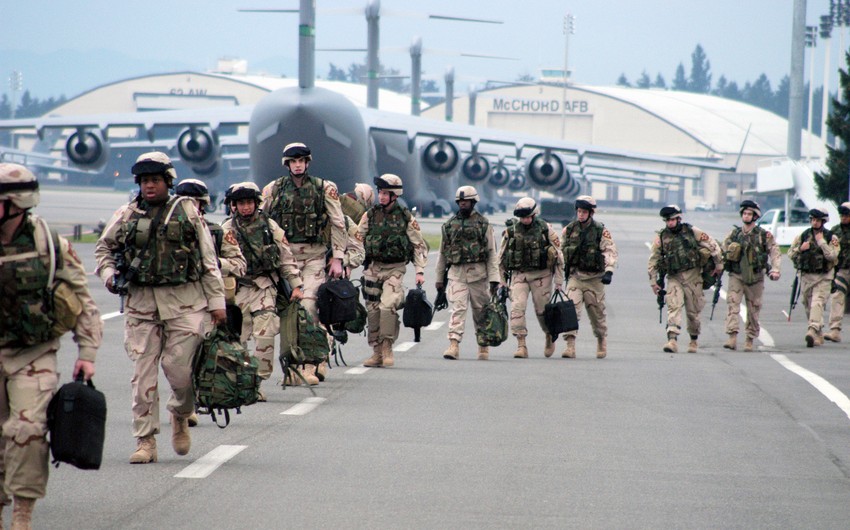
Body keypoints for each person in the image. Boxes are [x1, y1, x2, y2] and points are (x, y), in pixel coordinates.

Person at [95, 152, 226, 464]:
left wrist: (217, 304)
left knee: (180, 373)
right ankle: (145, 440)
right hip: (141, 304)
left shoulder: (187, 212)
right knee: (143, 376)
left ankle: (180, 414)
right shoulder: (127, 214)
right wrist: (109, 274)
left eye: (154, 180)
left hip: (185, 303)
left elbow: (209, 261)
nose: (149, 186)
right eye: (144, 181)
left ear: (168, 181)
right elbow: (104, 248)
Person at [0, 163, 102, 528]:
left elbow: (81, 298)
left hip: (33, 352)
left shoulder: (50, 245)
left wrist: (87, 354)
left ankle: (22, 514)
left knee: (26, 431)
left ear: (15, 203)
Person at [260, 142, 346, 384]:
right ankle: (293, 368)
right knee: (286, 313)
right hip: (285, 259)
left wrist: (338, 258)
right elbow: (259, 219)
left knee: (308, 308)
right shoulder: (273, 189)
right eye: (293, 162)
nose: (297, 166)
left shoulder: (324, 188)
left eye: (301, 161)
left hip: (314, 257)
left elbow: (338, 223)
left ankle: (310, 365)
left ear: (307, 163)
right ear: (287, 164)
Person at [221, 182, 303, 395]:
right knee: (238, 338)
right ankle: (241, 382)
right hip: (237, 290)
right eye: (241, 203)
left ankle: (256, 382)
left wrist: (296, 285)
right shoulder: (227, 229)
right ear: (234, 206)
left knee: (265, 334)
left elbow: (286, 257)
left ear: (256, 204)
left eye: (249, 202)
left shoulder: (270, 226)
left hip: (264, 287)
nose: (246, 207)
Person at [356, 174, 428, 367]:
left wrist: (419, 271)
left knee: (387, 307)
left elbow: (418, 245)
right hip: (373, 268)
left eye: (385, 193)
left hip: (395, 269)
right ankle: (376, 351)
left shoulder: (405, 217)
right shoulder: (369, 215)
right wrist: (346, 263)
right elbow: (356, 238)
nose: (381, 196)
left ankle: (387, 347)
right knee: (372, 311)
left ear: (394, 195)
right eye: (380, 192)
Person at [435, 185, 500, 361]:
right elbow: (442, 253)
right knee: (459, 308)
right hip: (456, 274)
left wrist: (495, 279)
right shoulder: (449, 226)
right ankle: (454, 344)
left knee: (481, 312)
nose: (463, 204)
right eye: (460, 202)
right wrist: (439, 279)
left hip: (478, 275)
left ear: (473, 202)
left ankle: (483, 345)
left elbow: (492, 252)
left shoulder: (483, 224)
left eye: (466, 202)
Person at [647, 205, 722, 353]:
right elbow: (653, 260)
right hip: (674, 278)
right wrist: (653, 282)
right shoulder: (661, 237)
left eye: (672, 220)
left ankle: (693, 339)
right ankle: (672, 340)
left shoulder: (693, 232)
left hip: (693, 277)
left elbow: (712, 245)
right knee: (673, 306)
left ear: (679, 218)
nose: (669, 223)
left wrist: (719, 264)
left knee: (693, 313)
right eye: (667, 220)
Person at [498, 197, 564, 359]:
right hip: (519, 275)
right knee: (517, 308)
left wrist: (559, 282)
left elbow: (559, 255)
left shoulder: (545, 229)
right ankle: (521, 344)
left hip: (542, 276)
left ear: (534, 214)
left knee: (542, 311)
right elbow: (501, 258)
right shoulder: (511, 231)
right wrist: (501, 281)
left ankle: (549, 335)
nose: (525, 220)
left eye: (528, 216)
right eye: (522, 217)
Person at [560, 195, 618, 359]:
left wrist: (609, 271)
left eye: (584, 212)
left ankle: (601, 339)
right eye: (579, 211)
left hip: (595, 279)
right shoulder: (569, 230)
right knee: (570, 311)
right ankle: (570, 346)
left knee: (597, 314)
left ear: (591, 213)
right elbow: (561, 252)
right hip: (575, 277)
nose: (581, 215)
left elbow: (609, 251)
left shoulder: (600, 231)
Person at [720, 200, 781, 352]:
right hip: (736, 275)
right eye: (745, 213)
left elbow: (774, 251)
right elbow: (722, 250)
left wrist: (775, 269)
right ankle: (732, 337)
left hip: (755, 277)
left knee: (753, 308)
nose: (746, 216)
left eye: (749, 214)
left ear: (755, 216)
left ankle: (749, 338)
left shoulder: (763, 235)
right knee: (732, 304)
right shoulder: (734, 234)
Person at [788, 208, 841, 347]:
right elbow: (790, 253)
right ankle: (818, 334)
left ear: (823, 221)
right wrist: (800, 249)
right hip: (806, 276)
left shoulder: (831, 237)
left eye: (817, 220)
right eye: (813, 220)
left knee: (817, 303)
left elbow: (833, 256)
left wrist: (821, 242)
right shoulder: (803, 236)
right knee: (808, 306)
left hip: (824, 277)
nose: (814, 222)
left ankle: (811, 330)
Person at [824, 202, 850, 342]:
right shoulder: (835, 232)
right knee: (837, 296)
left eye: (846, 215)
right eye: (842, 215)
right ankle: (834, 330)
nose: (843, 217)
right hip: (842, 270)